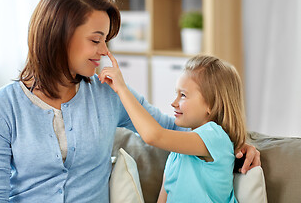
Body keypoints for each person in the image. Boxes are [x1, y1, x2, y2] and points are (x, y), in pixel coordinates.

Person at [0, 0, 260, 202]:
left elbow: (175, 129)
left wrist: (237, 143)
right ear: (59, 36)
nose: (104, 52)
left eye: (106, 40)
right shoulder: (1, 108)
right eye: (96, 40)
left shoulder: (109, 95)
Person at [99, 53, 252, 202]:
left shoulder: (215, 136)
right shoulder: (177, 151)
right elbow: (165, 195)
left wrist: (122, 90)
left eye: (183, 95)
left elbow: (154, 136)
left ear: (212, 105)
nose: (174, 102)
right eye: (176, 94)